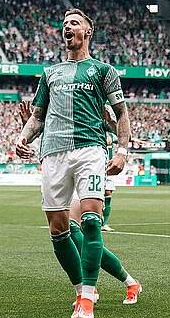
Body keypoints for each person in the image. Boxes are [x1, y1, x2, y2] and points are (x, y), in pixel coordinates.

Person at [16, 8, 132, 318]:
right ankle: (82, 289)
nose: (67, 27)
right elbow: (37, 117)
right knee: (58, 230)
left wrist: (122, 150)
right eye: (64, 24)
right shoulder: (49, 74)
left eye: (74, 23)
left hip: (91, 148)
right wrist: (23, 137)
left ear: (87, 32)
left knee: (92, 221)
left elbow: (121, 113)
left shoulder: (103, 71)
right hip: (52, 152)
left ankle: (86, 301)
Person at [18, 100, 141, 305]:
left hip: (89, 171)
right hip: (63, 170)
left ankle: (95, 289)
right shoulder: (59, 109)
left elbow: (124, 134)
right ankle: (126, 283)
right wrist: (31, 131)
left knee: (76, 228)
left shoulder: (93, 105)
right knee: (68, 232)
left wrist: (110, 121)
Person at [100, 105, 118, 232]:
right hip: (94, 165)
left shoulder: (111, 135)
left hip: (108, 167)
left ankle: (104, 223)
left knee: (108, 193)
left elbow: (124, 136)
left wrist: (134, 139)